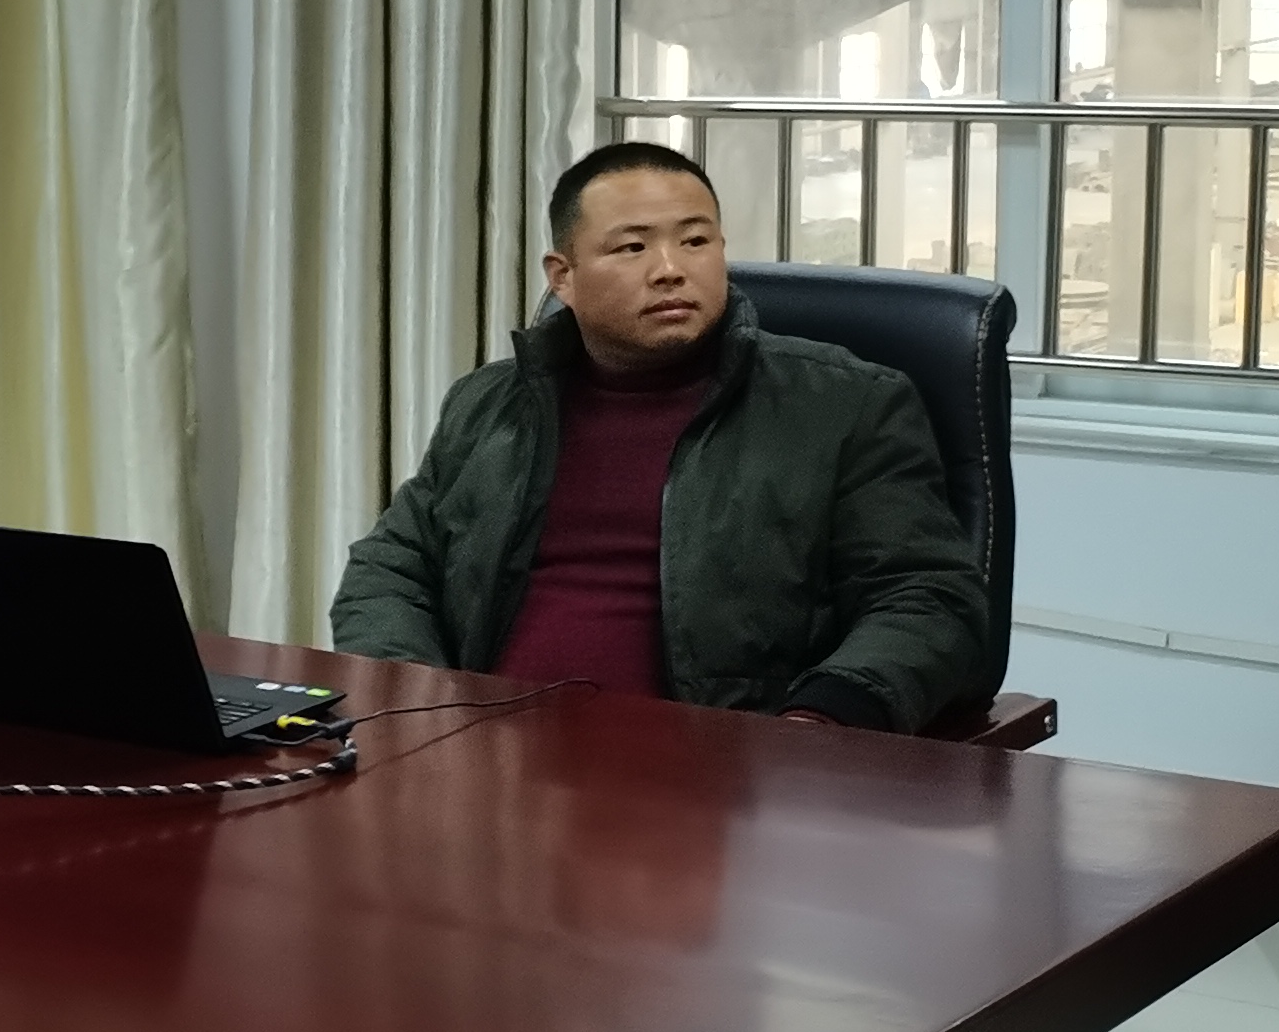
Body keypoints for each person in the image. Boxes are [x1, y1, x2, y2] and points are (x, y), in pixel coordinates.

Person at [328, 141, 995, 732]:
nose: (671, 268)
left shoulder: (847, 404)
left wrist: (822, 718)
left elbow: (927, 598)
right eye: (633, 247)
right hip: (484, 759)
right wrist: (420, 703)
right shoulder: (490, 403)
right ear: (562, 277)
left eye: (696, 241)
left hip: (722, 774)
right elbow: (390, 568)